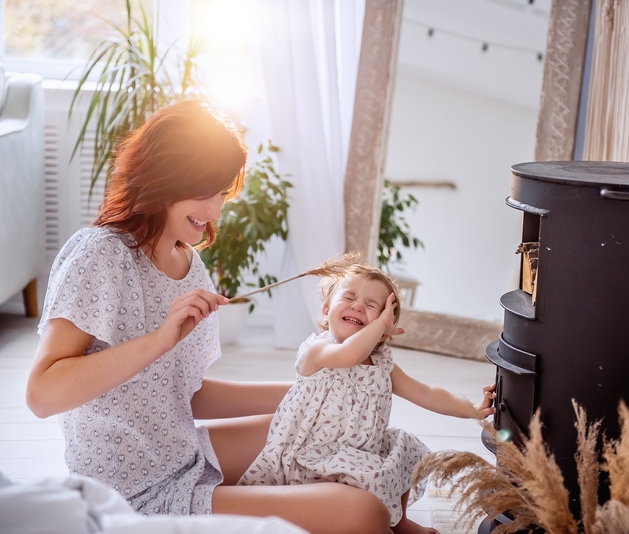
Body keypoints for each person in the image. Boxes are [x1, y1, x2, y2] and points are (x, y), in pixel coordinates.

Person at [25, 99, 393, 534]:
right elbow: (42, 395)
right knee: (365, 513)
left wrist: (312, 392)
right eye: (206, 192)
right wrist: (159, 340)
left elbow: (187, 393)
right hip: (131, 491)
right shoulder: (100, 255)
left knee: (327, 429)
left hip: (184, 455)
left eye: (221, 193)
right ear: (165, 177)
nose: (216, 210)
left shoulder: (189, 265)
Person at [238, 262, 497, 534]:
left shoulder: (382, 364)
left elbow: (425, 393)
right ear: (326, 311)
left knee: (406, 447)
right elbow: (350, 354)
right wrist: (379, 324)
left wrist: (472, 409)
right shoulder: (319, 349)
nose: (358, 306)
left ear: (384, 331)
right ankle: (372, 521)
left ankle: (399, 521)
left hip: (363, 450)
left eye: (372, 305)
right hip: (315, 454)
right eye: (349, 297)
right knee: (372, 475)